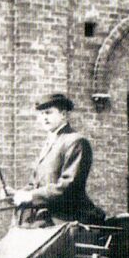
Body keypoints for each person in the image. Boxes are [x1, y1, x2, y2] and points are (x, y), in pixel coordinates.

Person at [11, 92, 104, 225]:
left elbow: (68, 187)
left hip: (67, 218)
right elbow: (35, 184)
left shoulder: (76, 142)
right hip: (45, 217)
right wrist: (16, 194)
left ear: (63, 114)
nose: (44, 118)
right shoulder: (50, 143)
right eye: (41, 114)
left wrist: (31, 196)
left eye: (48, 113)